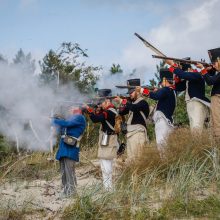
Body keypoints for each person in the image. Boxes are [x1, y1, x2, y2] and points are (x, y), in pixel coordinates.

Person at [85, 89, 119, 191]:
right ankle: (107, 187)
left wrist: (89, 110)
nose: (100, 104)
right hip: (108, 138)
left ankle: (108, 188)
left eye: (101, 102)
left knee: (105, 163)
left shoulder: (109, 112)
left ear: (107, 101)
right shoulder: (109, 111)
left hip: (108, 139)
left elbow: (95, 119)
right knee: (105, 163)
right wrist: (95, 110)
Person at [166, 58, 210, 134]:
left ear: (189, 68)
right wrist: (177, 78)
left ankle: (198, 144)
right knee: (193, 126)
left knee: (196, 126)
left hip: (197, 102)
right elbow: (178, 87)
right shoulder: (189, 79)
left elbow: (184, 75)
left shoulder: (197, 75)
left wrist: (173, 65)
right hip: (190, 103)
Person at [139, 69, 176, 156]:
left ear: (164, 80)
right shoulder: (171, 91)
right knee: (165, 148)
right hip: (167, 121)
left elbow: (156, 96)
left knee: (162, 147)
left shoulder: (166, 90)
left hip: (162, 122)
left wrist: (141, 90)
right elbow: (159, 95)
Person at [52, 106, 86, 197]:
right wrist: (56, 119)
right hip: (64, 147)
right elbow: (60, 130)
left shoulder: (79, 117)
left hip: (71, 147)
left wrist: (52, 120)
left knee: (69, 171)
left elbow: (66, 124)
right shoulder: (71, 119)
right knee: (63, 171)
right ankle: (66, 191)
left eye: (73, 107)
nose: (70, 109)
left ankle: (72, 192)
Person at [114, 79, 150, 161]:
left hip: (138, 133)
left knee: (137, 160)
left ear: (137, 91)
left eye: (131, 92)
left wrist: (123, 101)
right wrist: (122, 102)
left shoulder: (143, 102)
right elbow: (121, 112)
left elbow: (134, 108)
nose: (130, 94)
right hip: (130, 134)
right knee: (131, 160)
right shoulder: (132, 103)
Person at [196, 47, 220, 145]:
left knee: (217, 125)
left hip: (218, 99)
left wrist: (202, 69)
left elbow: (210, 81)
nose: (213, 65)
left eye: (214, 63)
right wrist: (209, 69)